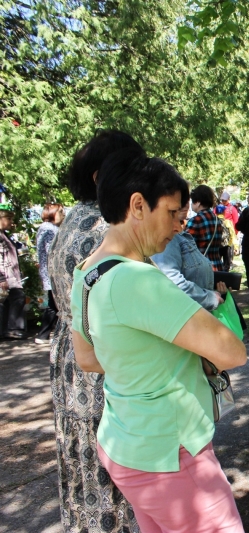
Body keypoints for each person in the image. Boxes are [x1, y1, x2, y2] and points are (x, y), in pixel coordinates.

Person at [71, 149, 247, 532]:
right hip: (171, 454)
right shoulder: (140, 280)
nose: (178, 225)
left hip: (127, 445)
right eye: (171, 213)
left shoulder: (87, 273)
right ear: (137, 205)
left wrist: (149, 356)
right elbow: (232, 352)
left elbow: (87, 358)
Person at [48, 129, 144, 532]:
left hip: (72, 360)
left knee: (85, 467)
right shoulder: (101, 230)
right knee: (112, 468)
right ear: (101, 177)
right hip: (99, 362)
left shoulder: (74, 219)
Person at [151, 201, 229, 312]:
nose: (186, 204)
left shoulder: (191, 226)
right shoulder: (169, 238)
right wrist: (209, 297)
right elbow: (172, 282)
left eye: (187, 199)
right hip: (186, 316)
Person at [34, 203, 65, 344]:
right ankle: (42, 334)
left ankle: (44, 334)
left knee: (54, 303)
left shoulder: (49, 228)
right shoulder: (48, 229)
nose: (63, 214)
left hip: (50, 271)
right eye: (60, 212)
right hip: (52, 272)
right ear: (52, 213)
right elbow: (51, 250)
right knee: (54, 304)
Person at [0, 204, 25, 340]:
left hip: (10, 274)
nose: (11, 222)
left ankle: (9, 330)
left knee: (10, 301)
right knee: (17, 297)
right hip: (6, 275)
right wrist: (1, 278)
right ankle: (13, 329)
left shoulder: (4, 235)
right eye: (8, 219)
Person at [186, 185, 224, 271]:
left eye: (193, 202)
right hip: (217, 266)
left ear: (198, 203)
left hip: (202, 269)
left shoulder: (195, 221)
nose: (191, 204)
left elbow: (186, 247)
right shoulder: (218, 220)